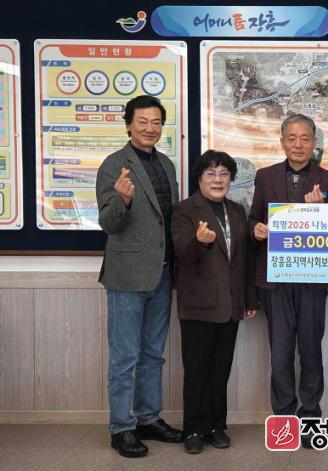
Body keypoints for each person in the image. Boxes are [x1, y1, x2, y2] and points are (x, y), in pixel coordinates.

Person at [248, 114, 328, 449]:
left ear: (314, 142)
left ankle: (311, 416)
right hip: (275, 281)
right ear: (282, 141)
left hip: (312, 280)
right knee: (280, 353)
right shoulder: (265, 176)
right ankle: (284, 420)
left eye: (305, 138)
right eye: (292, 138)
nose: (298, 144)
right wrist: (257, 230)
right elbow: (254, 219)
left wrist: (322, 211)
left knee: (311, 351)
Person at [95, 95, 182, 458]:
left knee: (153, 354)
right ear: (128, 124)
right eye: (142, 121)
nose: (150, 128)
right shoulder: (114, 165)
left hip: (162, 273)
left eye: (156, 122)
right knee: (125, 358)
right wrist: (123, 200)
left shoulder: (166, 164)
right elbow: (108, 223)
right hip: (128, 276)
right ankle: (121, 427)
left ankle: (148, 418)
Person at [172, 150, 258, 454]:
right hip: (198, 304)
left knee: (221, 370)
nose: (218, 180)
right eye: (211, 174)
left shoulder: (237, 210)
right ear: (200, 178)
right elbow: (183, 254)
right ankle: (194, 429)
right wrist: (201, 243)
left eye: (224, 174)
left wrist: (248, 298)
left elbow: (244, 259)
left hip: (230, 305)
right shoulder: (184, 210)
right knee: (197, 371)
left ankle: (216, 426)